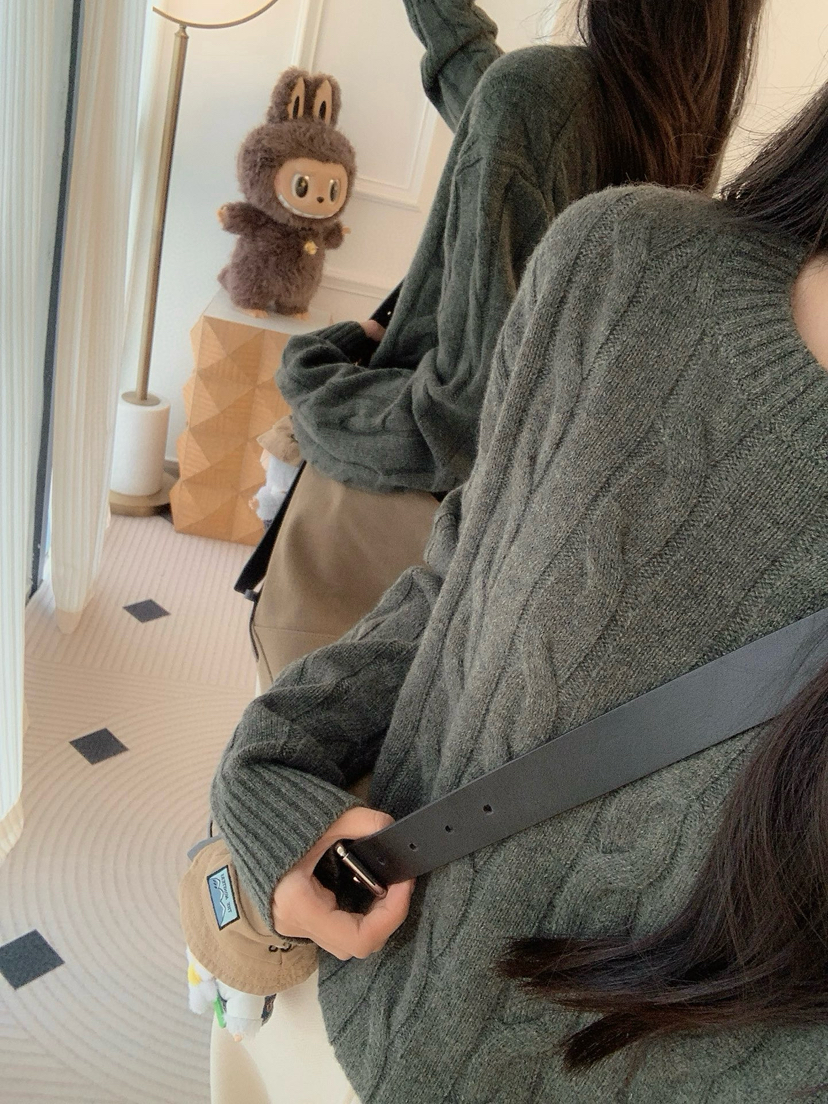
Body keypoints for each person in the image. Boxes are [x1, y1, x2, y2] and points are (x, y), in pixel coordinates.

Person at [211, 77, 828, 1101]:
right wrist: (274, 765)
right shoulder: (629, 263)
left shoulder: (533, 110)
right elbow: (460, 573)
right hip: (357, 1012)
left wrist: (327, 382)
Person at [244, 0, 765, 688]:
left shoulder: (544, 95)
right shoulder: (678, 131)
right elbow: (503, 110)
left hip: (405, 515)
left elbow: (457, 422)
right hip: (504, 561)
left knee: (300, 718)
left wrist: (313, 373)